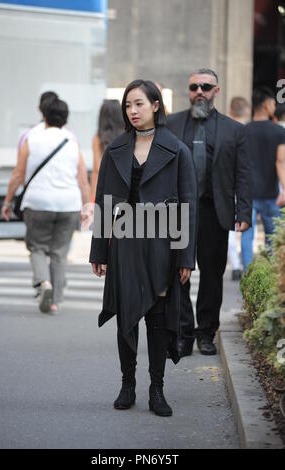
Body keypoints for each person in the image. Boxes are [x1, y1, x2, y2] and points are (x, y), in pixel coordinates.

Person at [89, 79, 197, 416]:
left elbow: (187, 206)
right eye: (127, 106)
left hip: (161, 243)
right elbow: (103, 200)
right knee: (126, 314)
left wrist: (184, 255)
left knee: (158, 316)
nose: (132, 111)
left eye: (138, 104)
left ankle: (157, 390)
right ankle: (127, 384)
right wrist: (99, 251)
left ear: (155, 106)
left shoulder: (177, 149)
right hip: (124, 242)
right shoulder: (116, 150)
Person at [167, 68, 252, 356]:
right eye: (194, 87)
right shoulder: (171, 124)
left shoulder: (235, 131)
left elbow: (243, 174)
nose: (199, 91)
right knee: (176, 276)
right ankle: (183, 333)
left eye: (205, 86)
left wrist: (244, 212)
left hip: (214, 212)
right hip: (178, 214)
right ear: (189, 91)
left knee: (212, 277)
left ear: (217, 91)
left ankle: (205, 333)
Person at [2, 98, 91, 313]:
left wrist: (7, 201)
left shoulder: (32, 139)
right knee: (59, 252)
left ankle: (44, 283)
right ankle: (54, 302)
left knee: (37, 247)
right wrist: (87, 205)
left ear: (44, 115)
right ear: (65, 118)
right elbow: (82, 179)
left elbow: (17, 174)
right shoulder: (72, 142)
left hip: (38, 203)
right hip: (68, 204)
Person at [241, 87, 285, 272]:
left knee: (246, 235)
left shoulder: (243, 131)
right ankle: (270, 275)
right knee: (272, 236)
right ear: (267, 105)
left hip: (248, 193)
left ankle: (248, 275)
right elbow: (280, 161)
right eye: (273, 103)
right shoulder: (278, 131)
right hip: (271, 194)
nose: (274, 107)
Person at [227, 97, 251, 281]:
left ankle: (236, 266)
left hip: (228, 187)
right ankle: (248, 266)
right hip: (251, 186)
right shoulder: (249, 131)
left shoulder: (225, 131)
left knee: (230, 231)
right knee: (249, 231)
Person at [90, 100, 124, 201]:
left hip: (105, 190)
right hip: (123, 190)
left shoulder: (98, 138)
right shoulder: (127, 136)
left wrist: (92, 197)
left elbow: (97, 169)